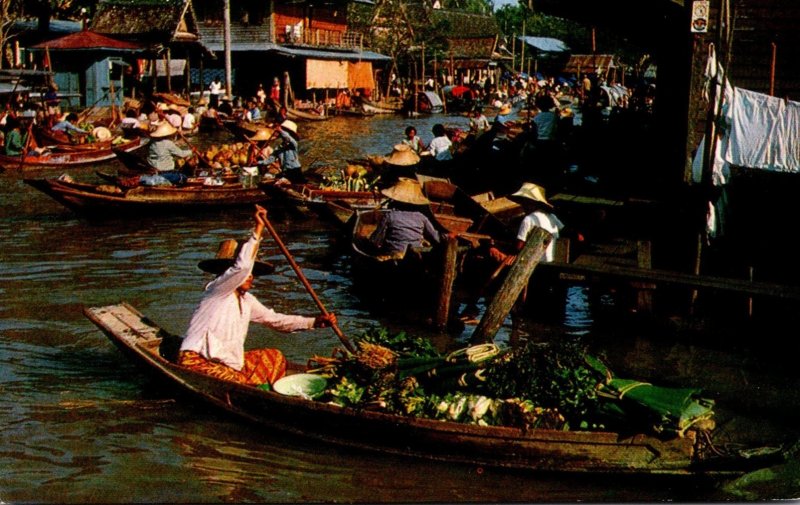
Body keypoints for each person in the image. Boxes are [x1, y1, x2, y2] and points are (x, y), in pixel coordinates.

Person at [178, 205, 337, 387]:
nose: (250, 276)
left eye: (252, 272)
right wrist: (258, 229)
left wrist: (314, 322)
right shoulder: (216, 290)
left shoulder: (246, 301)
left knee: (274, 357)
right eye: (247, 273)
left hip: (227, 364)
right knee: (239, 383)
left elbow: (275, 320)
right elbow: (242, 267)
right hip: (197, 362)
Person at [368, 178, 446, 258]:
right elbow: (436, 237)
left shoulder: (390, 215)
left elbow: (375, 240)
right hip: (415, 256)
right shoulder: (421, 217)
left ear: (396, 201)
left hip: (393, 255)